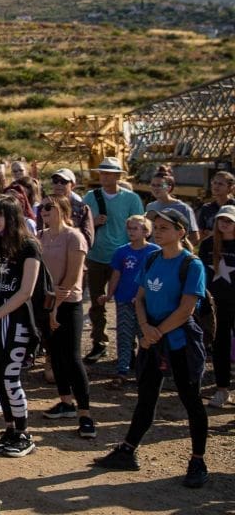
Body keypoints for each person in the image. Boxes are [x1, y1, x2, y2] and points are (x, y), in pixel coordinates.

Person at [94, 208, 209, 489]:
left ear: (181, 232)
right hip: (152, 339)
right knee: (146, 396)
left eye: (165, 227)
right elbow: (140, 297)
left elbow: (186, 310)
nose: (158, 230)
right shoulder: (153, 258)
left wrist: (155, 333)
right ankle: (128, 450)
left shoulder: (191, 265)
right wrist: (145, 329)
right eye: (156, 226)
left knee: (190, 399)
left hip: (179, 340)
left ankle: (198, 460)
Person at [0, 194, 41, 459]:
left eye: (2, 215)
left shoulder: (29, 247)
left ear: (13, 217)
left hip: (15, 321)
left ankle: (24, 433)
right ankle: (9, 428)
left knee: (10, 377)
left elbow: (26, 291)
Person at [38, 194, 95, 439]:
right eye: (42, 208)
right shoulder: (40, 237)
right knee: (55, 355)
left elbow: (72, 278)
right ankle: (65, 402)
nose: (44, 212)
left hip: (68, 304)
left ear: (62, 209)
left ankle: (86, 414)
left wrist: (55, 308)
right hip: (46, 303)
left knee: (72, 358)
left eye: (49, 208)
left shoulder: (74, 237)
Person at [82, 157, 145, 364]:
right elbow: (80, 223)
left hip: (125, 257)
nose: (104, 176)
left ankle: (130, 348)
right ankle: (99, 342)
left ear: (118, 176)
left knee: (127, 302)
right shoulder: (91, 197)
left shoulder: (131, 199)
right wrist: (93, 222)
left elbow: (140, 227)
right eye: (102, 172)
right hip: (96, 256)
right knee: (97, 303)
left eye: (109, 173)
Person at [97, 215, 156, 387]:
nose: (131, 231)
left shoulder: (154, 251)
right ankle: (122, 370)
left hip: (145, 302)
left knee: (144, 334)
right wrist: (109, 295)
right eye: (129, 228)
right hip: (123, 299)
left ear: (146, 231)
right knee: (124, 334)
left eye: (135, 228)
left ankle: (144, 370)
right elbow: (116, 275)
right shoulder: (121, 251)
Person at [199, 204, 235, 408]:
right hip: (216, 304)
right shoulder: (208, 244)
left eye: (229, 220)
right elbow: (201, 271)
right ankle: (222, 390)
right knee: (220, 346)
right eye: (221, 220)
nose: (224, 224)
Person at [145, 171, 200, 245]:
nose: (155, 188)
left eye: (159, 185)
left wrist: (177, 250)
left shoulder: (183, 208)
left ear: (168, 188)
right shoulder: (150, 206)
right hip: (155, 254)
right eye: (153, 185)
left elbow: (194, 238)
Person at [47, 168, 95, 248]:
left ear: (73, 185)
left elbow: (88, 239)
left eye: (63, 182)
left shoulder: (82, 209)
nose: (59, 184)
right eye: (55, 181)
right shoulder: (45, 206)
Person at [196, 171, 234, 242]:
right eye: (214, 183)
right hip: (210, 248)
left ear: (230, 188)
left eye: (220, 184)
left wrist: (211, 232)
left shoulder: (233, 206)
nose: (216, 186)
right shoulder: (206, 208)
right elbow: (200, 234)